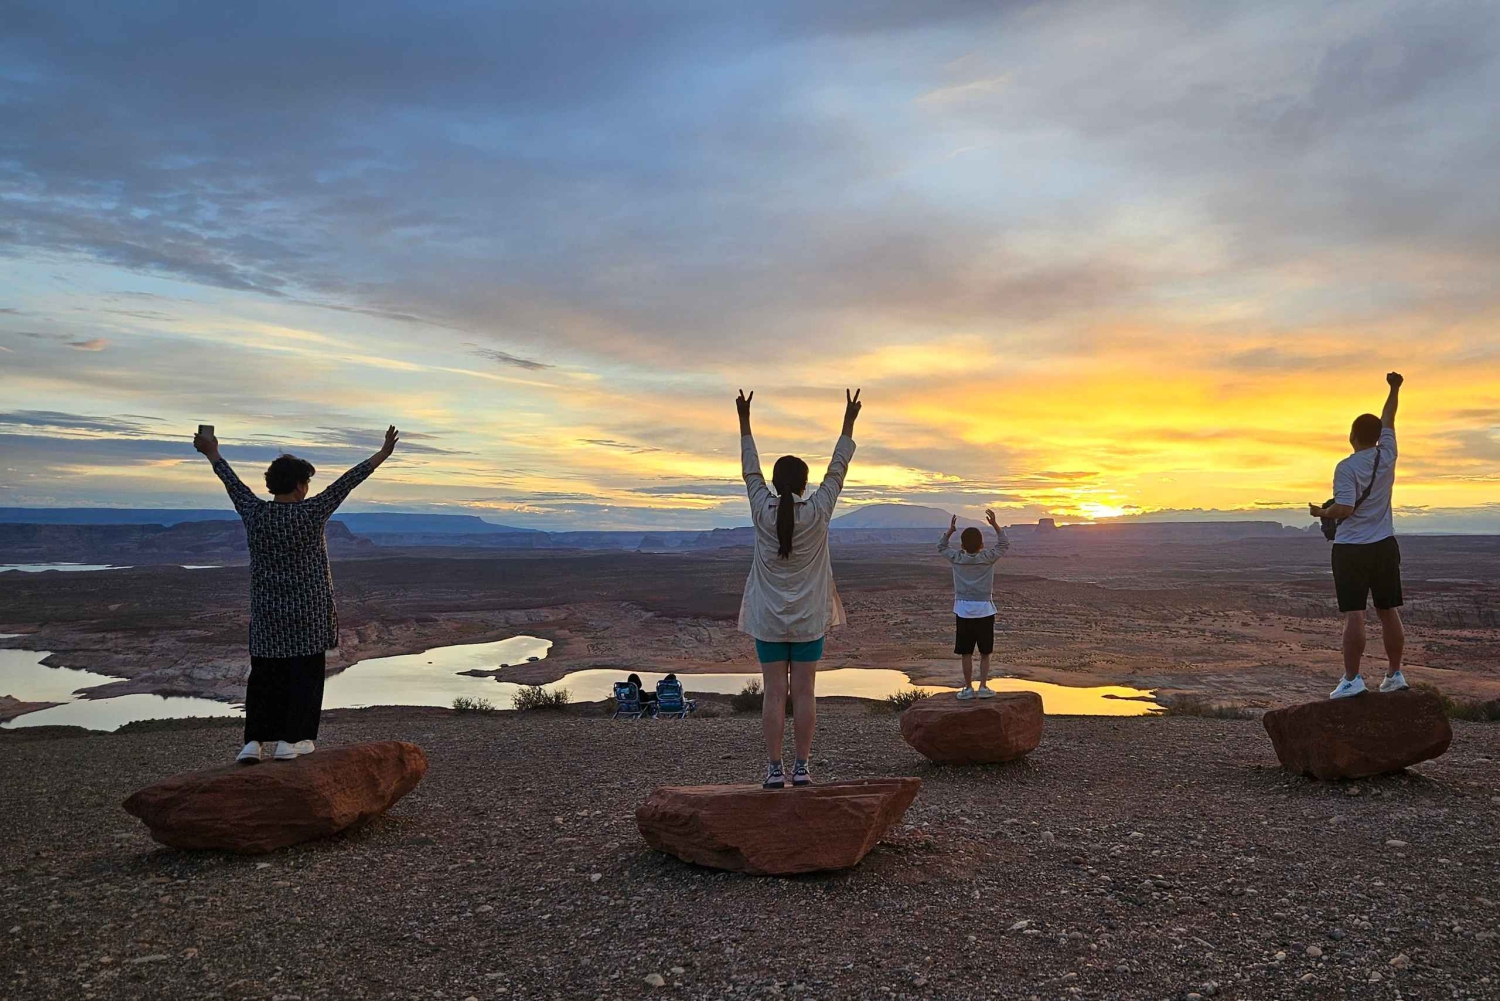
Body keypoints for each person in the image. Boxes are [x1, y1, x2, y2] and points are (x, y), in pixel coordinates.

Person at [193, 425, 400, 762]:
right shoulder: (311, 512)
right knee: (305, 677)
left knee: (264, 677)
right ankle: (293, 741)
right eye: (306, 483)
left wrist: (212, 451)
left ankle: (253, 743)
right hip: (309, 615)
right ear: (300, 485)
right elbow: (347, 482)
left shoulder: (255, 512)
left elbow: (231, 482)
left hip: (268, 615)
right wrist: (383, 454)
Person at [736, 387, 861, 789]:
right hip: (808, 622)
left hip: (769, 622)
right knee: (805, 693)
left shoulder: (761, 509)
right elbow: (837, 471)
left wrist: (744, 421)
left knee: (774, 694)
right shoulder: (819, 510)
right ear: (806, 484)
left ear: (774, 483)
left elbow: (749, 471)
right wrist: (848, 423)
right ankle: (802, 768)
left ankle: (775, 770)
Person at [1308, 372, 1405, 699]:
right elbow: (1389, 417)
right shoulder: (1387, 453)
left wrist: (1322, 513)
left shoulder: (1346, 467)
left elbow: (1345, 508)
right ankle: (1394, 674)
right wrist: (1394, 388)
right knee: (1388, 610)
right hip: (1384, 545)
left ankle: (1352, 679)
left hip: (1351, 549)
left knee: (1355, 613)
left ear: (1352, 435)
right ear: (1378, 436)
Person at [938, 510, 1010, 699]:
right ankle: (983, 687)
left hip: (963, 611)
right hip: (985, 610)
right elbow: (1004, 544)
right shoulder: (987, 557)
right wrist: (995, 525)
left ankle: (968, 688)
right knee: (985, 652)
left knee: (966, 653)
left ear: (962, 545)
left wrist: (950, 531)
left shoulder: (957, 558)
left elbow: (941, 546)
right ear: (982, 545)